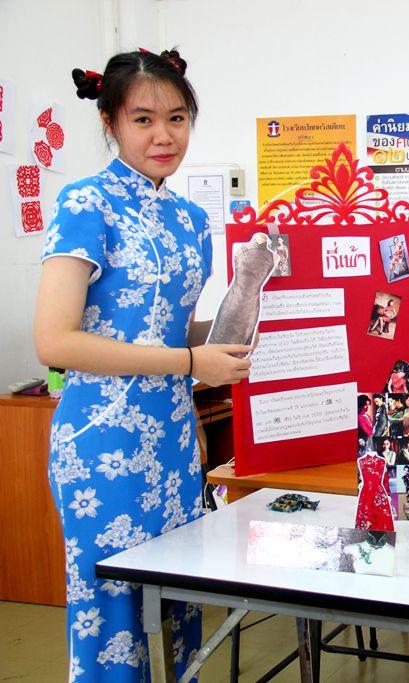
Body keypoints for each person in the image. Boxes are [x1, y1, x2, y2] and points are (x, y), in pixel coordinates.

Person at [36, 49, 253, 681]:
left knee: (180, 597)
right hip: (102, 441)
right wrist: (189, 360)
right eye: (143, 119)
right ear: (109, 122)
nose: (164, 135)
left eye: (177, 118)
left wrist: (258, 313)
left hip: (174, 437)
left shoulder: (190, 219)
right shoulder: (85, 204)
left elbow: (170, 330)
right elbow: (54, 341)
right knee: (113, 610)